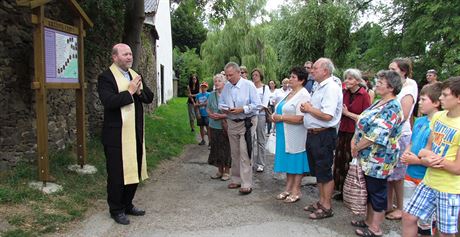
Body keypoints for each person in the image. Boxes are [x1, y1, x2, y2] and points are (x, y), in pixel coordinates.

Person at [97, 43, 154, 225]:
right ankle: (116, 209)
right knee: (117, 174)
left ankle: (128, 204)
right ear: (115, 57)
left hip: (135, 132)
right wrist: (129, 92)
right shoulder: (105, 78)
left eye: (130, 54)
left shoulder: (135, 75)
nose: (129, 57)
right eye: (125, 54)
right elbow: (108, 101)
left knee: (134, 170)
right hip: (116, 136)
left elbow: (149, 97)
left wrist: (139, 91)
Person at [402, 77, 460, 237]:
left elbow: (457, 168)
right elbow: (426, 149)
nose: (440, 98)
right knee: (408, 216)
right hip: (429, 181)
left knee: (444, 232)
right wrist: (425, 157)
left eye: (445, 95)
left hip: (449, 189)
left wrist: (433, 161)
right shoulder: (438, 117)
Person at [350, 70, 404, 237]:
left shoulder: (393, 107)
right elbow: (362, 121)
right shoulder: (379, 102)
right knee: (369, 189)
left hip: (379, 158)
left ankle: (375, 228)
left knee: (377, 191)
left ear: (391, 87)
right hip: (367, 155)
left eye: (381, 82)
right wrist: (354, 140)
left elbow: (377, 135)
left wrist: (357, 146)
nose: (377, 84)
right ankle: (367, 220)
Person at [301, 58, 342, 220]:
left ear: (325, 70)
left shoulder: (331, 87)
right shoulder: (319, 86)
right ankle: (321, 201)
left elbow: (327, 115)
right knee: (318, 171)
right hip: (313, 134)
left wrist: (309, 109)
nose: (312, 70)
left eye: (315, 68)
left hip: (323, 135)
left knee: (324, 171)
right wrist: (307, 108)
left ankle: (327, 206)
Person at [400, 82, 442, 236]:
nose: (419, 102)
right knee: (408, 212)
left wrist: (416, 160)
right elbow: (412, 142)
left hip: (426, 176)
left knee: (426, 220)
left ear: (437, 103)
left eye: (424, 99)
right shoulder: (420, 121)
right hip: (410, 173)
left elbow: (434, 155)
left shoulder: (439, 126)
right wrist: (407, 152)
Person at [219, 62, 262, 195]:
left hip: (246, 122)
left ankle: (246, 183)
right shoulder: (226, 87)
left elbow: (257, 105)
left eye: (231, 75)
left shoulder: (248, 85)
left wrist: (242, 109)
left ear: (239, 73)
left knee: (245, 152)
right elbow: (221, 103)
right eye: (226, 75)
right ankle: (236, 179)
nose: (228, 77)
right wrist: (226, 109)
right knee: (235, 152)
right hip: (232, 121)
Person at [272, 66, 311, 203]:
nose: (290, 79)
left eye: (294, 77)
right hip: (284, 132)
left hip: (295, 134)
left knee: (296, 161)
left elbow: (301, 118)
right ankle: (288, 188)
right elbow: (281, 109)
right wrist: (275, 116)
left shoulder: (303, 94)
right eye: (291, 76)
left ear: (301, 80)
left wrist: (281, 118)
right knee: (288, 161)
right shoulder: (290, 92)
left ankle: (296, 190)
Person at [386, 58, 418, 220]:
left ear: (403, 71)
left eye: (394, 69)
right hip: (390, 134)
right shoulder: (396, 86)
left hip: (401, 135)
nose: (390, 71)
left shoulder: (409, 88)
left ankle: (400, 207)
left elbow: (403, 116)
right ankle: (388, 204)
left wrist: (385, 125)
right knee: (389, 174)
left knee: (398, 175)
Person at [332, 69, 371, 201]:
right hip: (343, 129)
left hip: (355, 133)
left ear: (357, 81)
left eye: (350, 79)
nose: (346, 81)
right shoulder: (344, 93)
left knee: (351, 161)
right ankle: (341, 189)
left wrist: (347, 113)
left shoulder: (364, 95)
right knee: (340, 160)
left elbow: (365, 118)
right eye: (346, 78)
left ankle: (353, 191)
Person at [207, 74, 231, 181]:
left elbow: (232, 111)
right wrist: (211, 115)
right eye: (215, 81)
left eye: (219, 81)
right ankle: (219, 170)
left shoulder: (229, 94)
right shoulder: (212, 95)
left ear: (224, 83)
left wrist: (222, 116)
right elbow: (208, 108)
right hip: (214, 125)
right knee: (216, 148)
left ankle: (227, 171)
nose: (216, 83)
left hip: (225, 126)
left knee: (226, 148)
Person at [251, 68, 270, 172]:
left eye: (256, 75)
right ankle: (251, 162)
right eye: (253, 75)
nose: (254, 77)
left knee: (260, 139)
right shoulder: (250, 87)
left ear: (260, 76)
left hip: (260, 115)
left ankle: (261, 163)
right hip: (250, 115)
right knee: (250, 138)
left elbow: (264, 104)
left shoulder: (265, 88)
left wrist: (254, 108)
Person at [195, 82, 211, 146]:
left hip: (207, 114)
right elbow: (196, 105)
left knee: (208, 128)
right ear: (200, 87)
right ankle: (203, 140)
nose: (203, 88)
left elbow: (207, 103)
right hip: (200, 114)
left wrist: (199, 104)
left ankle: (210, 141)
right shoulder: (198, 95)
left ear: (207, 88)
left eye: (205, 87)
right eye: (202, 87)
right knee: (201, 127)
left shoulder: (209, 94)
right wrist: (198, 113)